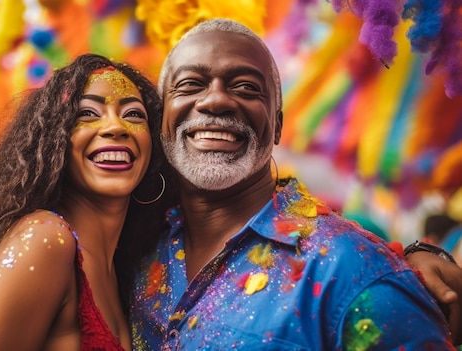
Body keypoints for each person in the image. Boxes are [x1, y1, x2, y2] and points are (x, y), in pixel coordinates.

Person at [127, 18, 457, 350]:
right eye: (189, 84)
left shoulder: (353, 271)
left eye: (245, 87)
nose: (215, 101)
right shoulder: (129, 246)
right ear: (161, 118)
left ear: (278, 125)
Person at [0, 53, 169, 350]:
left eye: (133, 114)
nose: (116, 127)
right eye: (88, 113)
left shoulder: (125, 268)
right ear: (54, 140)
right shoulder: (45, 238)